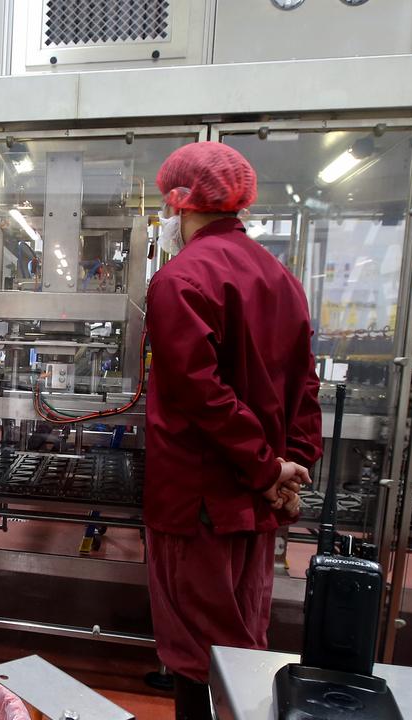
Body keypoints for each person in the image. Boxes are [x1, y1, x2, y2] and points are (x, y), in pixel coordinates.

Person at [144, 143, 322, 719]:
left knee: (199, 652)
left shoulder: (181, 280)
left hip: (199, 503)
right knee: (243, 639)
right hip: (256, 500)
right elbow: (304, 384)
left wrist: (266, 467)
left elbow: (203, 394)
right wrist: (289, 467)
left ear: (179, 202)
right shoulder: (280, 277)